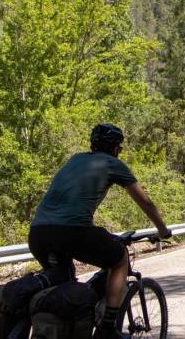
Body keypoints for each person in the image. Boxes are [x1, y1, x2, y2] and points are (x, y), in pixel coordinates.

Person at [28, 123, 171, 339]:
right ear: (115, 148)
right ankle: (107, 328)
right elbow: (146, 202)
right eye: (120, 147)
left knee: (64, 283)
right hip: (72, 231)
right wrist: (162, 230)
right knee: (119, 258)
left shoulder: (76, 159)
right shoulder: (113, 164)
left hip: (38, 233)